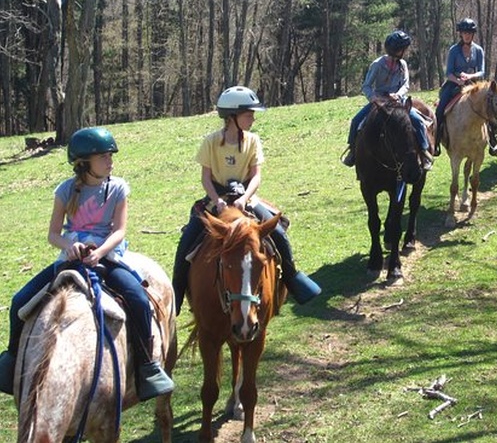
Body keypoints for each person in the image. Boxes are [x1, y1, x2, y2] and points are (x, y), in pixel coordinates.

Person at [0, 127, 174, 400]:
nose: (110, 161)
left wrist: (100, 252)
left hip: (108, 255)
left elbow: (119, 231)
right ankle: (11, 363)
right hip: (71, 259)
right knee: (20, 301)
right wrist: (70, 246)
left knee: (139, 300)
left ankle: (147, 366)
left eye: (111, 156)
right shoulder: (65, 191)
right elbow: (53, 234)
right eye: (104, 156)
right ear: (85, 162)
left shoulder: (118, 188)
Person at [172, 86, 320, 316]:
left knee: (278, 233)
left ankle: (291, 277)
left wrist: (245, 198)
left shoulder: (253, 141)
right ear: (232, 116)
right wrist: (217, 201)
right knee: (187, 240)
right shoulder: (210, 142)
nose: (252, 119)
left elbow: (256, 176)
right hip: (216, 200)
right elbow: (206, 178)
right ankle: (177, 291)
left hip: (246, 198)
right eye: (248, 114)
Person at [342, 30, 433, 169]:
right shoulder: (377, 65)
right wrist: (374, 98)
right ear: (397, 50)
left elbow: (405, 84)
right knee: (356, 121)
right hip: (379, 103)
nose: (405, 51)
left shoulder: (402, 64)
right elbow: (366, 86)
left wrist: (398, 94)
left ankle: (424, 152)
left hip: (398, 102)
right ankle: (353, 151)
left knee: (419, 121)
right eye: (403, 48)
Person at [434, 18, 486, 156]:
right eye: (464, 33)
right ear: (461, 34)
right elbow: (448, 73)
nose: (467, 35)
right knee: (440, 110)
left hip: (473, 84)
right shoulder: (454, 50)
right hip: (453, 84)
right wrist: (458, 81)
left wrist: (470, 77)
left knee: (490, 106)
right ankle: (436, 140)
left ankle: (492, 140)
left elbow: (482, 71)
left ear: (473, 34)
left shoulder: (479, 50)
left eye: (469, 33)